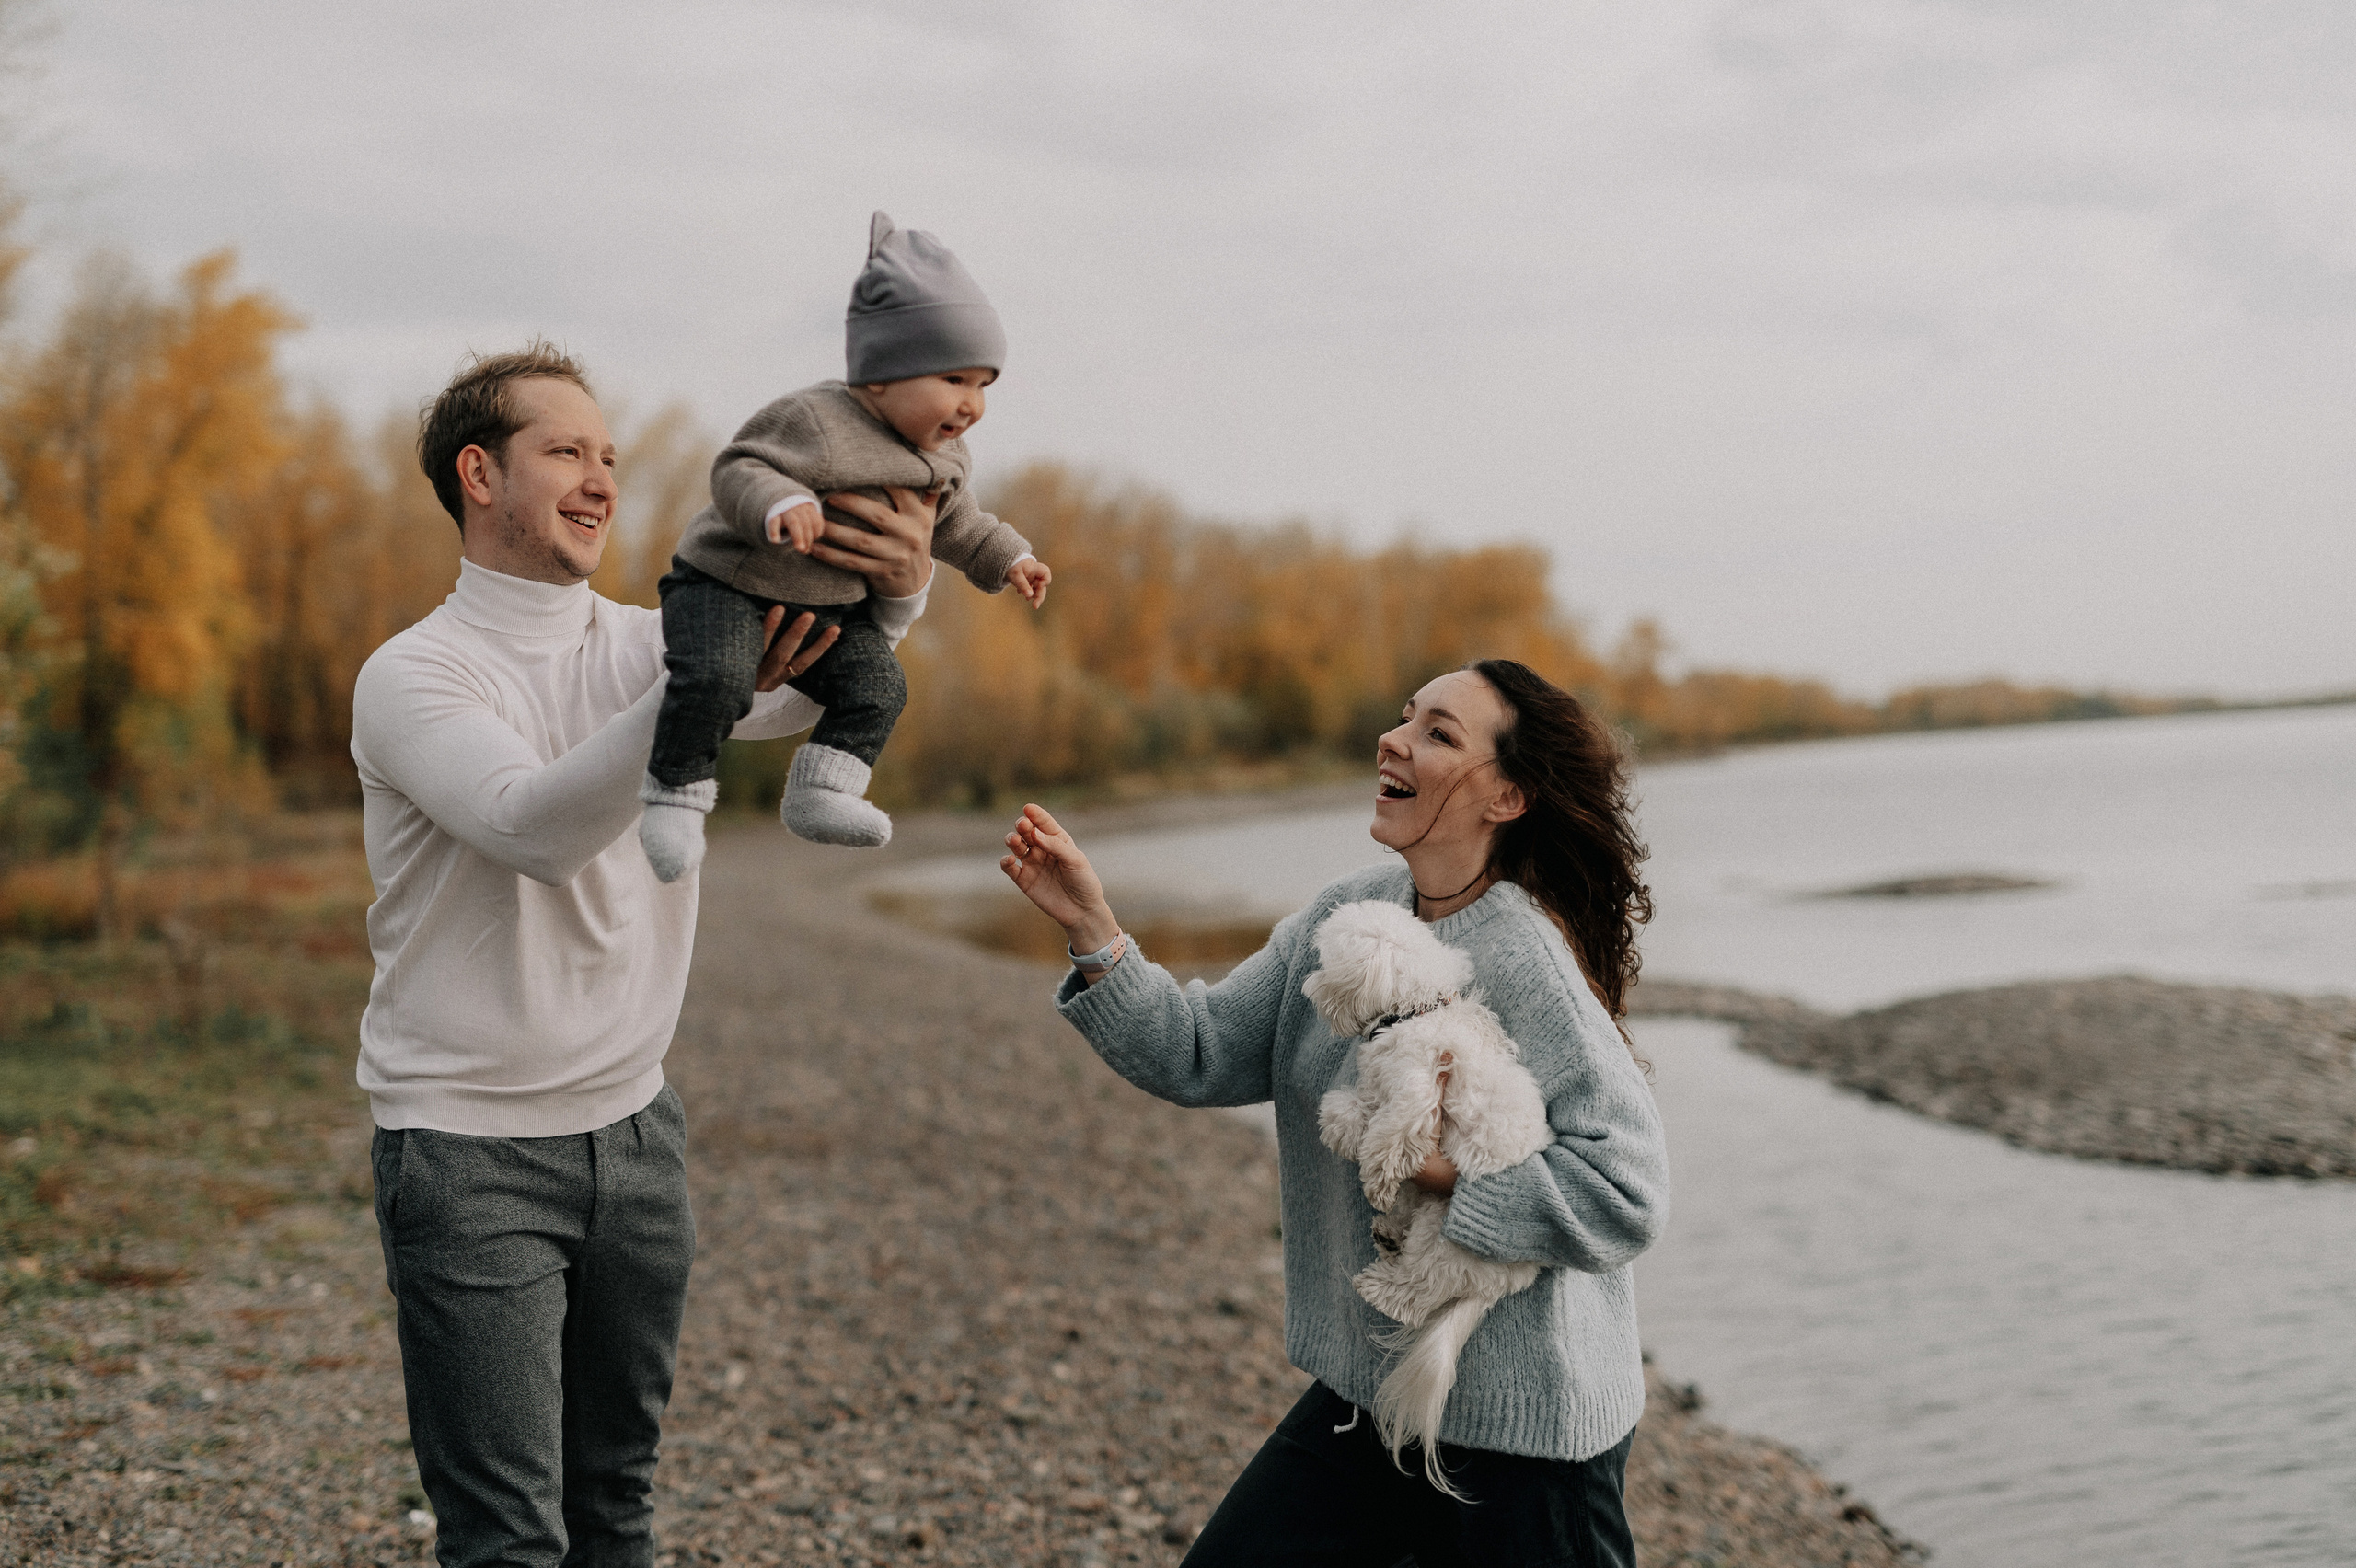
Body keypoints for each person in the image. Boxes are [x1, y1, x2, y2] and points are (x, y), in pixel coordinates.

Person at [350, 342, 940, 1568]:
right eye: (564, 451)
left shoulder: (649, 641)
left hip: (637, 1134)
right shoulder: (413, 675)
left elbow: (821, 688)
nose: (599, 479)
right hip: (468, 1154)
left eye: (608, 457)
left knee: (615, 1505)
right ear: (478, 475)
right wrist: (689, 687)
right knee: (509, 1540)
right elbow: (532, 826)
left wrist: (900, 594)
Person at [1000, 660, 1669, 1567]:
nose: (1394, 740)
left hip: (1526, 1440)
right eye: (1404, 718)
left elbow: (1624, 1189)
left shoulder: (1525, 958)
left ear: (1506, 796)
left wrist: (1439, 1173)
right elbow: (1200, 1052)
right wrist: (1093, 931)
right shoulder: (1350, 912)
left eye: (1438, 733)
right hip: (1375, 1395)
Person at [638, 211, 1051, 873]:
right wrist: (785, 500)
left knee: (880, 686)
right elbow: (738, 468)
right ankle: (675, 794)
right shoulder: (817, 420)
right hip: (726, 585)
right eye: (954, 380)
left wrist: (1012, 559)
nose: (971, 404)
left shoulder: (946, 455)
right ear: (881, 373)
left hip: (828, 609)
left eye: (983, 385)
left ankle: (822, 790)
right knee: (714, 678)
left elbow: (959, 523)